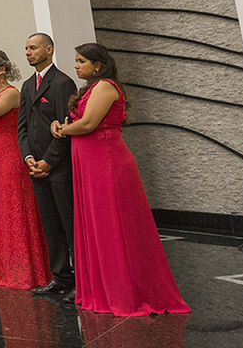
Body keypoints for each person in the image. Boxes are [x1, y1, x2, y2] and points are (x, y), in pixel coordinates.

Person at [53, 43, 190, 315]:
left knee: (112, 226)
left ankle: (123, 292)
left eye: (82, 61)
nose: (77, 65)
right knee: (97, 224)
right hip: (89, 162)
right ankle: (103, 289)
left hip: (106, 161)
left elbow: (89, 123)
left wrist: (62, 130)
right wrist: (57, 125)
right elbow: (77, 120)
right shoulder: (91, 88)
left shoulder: (105, 86)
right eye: (76, 60)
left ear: (99, 65)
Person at [0, 49, 50, 289]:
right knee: (2, 209)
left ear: (2, 70)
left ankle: (27, 270)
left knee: (17, 207)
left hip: (11, 155)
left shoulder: (10, 93)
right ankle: (9, 267)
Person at [17, 32, 78, 297]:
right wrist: (29, 158)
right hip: (36, 166)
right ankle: (61, 276)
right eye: (26, 48)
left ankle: (82, 279)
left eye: (33, 48)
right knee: (50, 225)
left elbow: (66, 126)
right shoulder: (28, 85)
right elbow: (22, 128)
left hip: (58, 166)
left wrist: (48, 162)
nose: (28, 52)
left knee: (69, 224)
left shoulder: (63, 82)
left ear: (49, 49)